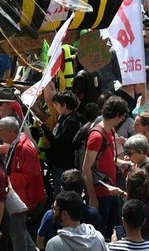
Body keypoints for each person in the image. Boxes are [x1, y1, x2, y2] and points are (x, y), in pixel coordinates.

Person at [0, 116, 45, 251]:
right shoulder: (17, 144)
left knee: (17, 234)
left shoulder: (24, 148)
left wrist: (7, 178)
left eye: (0, 130)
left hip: (22, 197)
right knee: (20, 230)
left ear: (10, 131)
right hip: (18, 194)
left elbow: (29, 176)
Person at [83, 96, 128, 239]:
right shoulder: (96, 136)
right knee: (100, 234)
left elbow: (110, 159)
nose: (122, 120)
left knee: (115, 230)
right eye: (122, 116)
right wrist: (92, 197)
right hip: (100, 194)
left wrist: (126, 164)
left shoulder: (111, 131)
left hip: (111, 190)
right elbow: (86, 168)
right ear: (117, 115)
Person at [40, 89, 82, 195]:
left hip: (64, 164)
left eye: (57, 104)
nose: (55, 107)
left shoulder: (71, 121)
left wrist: (45, 129)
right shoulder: (63, 117)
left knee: (61, 192)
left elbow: (58, 141)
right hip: (57, 162)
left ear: (64, 105)